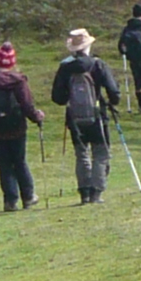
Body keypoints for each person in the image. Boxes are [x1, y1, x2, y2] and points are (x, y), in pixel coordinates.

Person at [50, 29, 121, 205]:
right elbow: (114, 93)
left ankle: (84, 193)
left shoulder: (65, 67)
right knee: (100, 153)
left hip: (74, 117)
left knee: (81, 154)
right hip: (97, 115)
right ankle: (96, 192)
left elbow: (57, 98)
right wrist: (111, 101)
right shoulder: (97, 64)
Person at [0, 41, 41, 211]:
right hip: (16, 128)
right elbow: (27, 104)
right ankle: (28, 197)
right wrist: (37, 117)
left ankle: (10, 201)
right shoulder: (19, 80)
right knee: (19, 161)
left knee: (4, 165)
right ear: (13, 62)